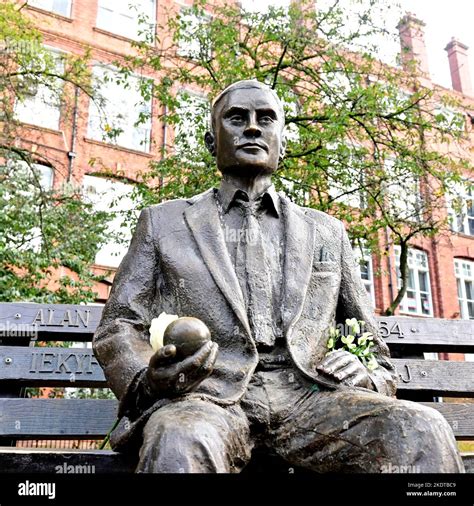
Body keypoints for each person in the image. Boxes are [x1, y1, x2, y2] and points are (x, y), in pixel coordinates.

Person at [93, 79, 464, 473]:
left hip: (312, 398)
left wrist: (367, 371)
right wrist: (150, 381)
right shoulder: (162, 222)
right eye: (236, 118)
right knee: (180, 436)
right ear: (210, 141)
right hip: (207, 398)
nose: (252, 128)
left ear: (282, 144)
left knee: (422, 427)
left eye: (265, 119)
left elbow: (371, 346)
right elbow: (118, 324)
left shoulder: (327, 231)